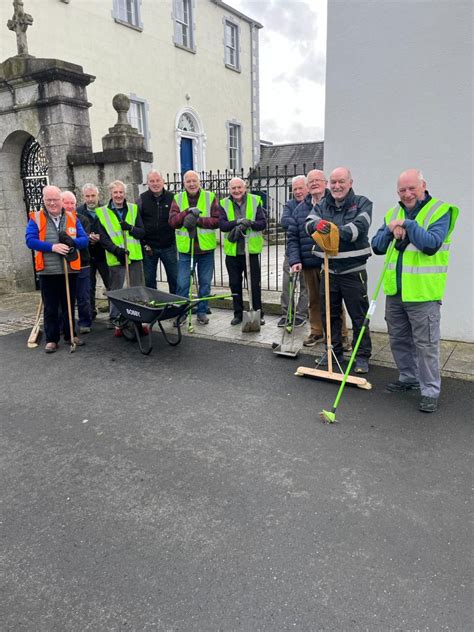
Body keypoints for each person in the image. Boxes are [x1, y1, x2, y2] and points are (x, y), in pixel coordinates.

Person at [372, 169, 458, 413]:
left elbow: (431, 244)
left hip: (423, 294)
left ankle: (430, 390)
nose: (407, 194)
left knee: (426, 344)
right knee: (398, 339)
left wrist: (407, 225)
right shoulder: (393, 213)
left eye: (412, 188)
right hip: (396, 291)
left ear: (423, 186)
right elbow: (377, 247)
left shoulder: (441, 211)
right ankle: (408, 378)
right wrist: (390, 230)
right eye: (402, 190)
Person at [305, 167, 372, 373]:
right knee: (330, 314)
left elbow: (358, 228)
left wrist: (330, 230)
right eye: (333, 182)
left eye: (341, 182)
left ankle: (362, 356)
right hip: (329, 270)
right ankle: (333, 351)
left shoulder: (363, 203)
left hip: (354, 271)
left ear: (350, 183)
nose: (336, 186)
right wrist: (321, 228)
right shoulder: (323, 204)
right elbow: (309, 224)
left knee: (359, 315)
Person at [288, 170, 351, 348]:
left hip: (331, 262)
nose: (314, 183)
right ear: (307, 187)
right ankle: (316, 331)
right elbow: (292, 237)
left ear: (325, 183)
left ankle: (342, 334)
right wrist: (295, 260)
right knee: (314, 300)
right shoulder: (300, 210)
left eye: (318, 180)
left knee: (334, 300)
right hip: (309, 262)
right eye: (311, 182)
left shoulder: (335, 204)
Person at [25, 185, 88, 353]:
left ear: (61, 200)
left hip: (70, 269)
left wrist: (71, 243)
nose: (52, 203)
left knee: (69, 304)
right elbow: (30, 241)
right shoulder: (36, 218)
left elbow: (84, 240)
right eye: (49, 200)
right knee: (51, 307)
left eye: (55, 199)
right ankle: (52, 339)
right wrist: (53, 247)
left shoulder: (72, 217)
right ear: (44, 201)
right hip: (48, 270)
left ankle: (70, 335)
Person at [168, 170, 220, 325]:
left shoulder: (210, 197)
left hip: (205, 250)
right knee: (183, 284)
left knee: (205, 283)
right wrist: (186, 213)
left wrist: (198, 220)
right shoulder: (178, 199)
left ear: (199, 182)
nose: (191, 184)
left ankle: (202, 311)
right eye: (188, 181)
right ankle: (182, 313)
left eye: (194, 181)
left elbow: (217, 221)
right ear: (184, 183)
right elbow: (172, 222)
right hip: (186, 250)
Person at [96, 180, 145, 335]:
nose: (118, 195)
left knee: (136, 290)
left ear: (125, 194)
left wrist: (130, 228)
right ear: (111, 194)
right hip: (115, 257)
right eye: (115, 192)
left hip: (134, 257)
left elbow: (142, 232)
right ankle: (116, 321)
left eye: (121, 192)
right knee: (117, 291)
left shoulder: (133, 209)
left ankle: (137, 320)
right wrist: (116, 250)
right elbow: (102, 238)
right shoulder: (102, 212)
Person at [219, 177, 266, 326]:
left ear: (245, 187)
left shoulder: (255, 200)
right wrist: (238, 222)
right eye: (233, 188)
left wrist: (250, 223)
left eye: (239, 187)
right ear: (229, 190)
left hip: (250, 252)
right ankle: (238, 314)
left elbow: (262, 223)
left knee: (254, 285)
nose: (237, 191)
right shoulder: (223, 204)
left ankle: (258, 313)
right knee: (235, 284)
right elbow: (223, 225)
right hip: (233, 253)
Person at [138, 170, 178, 293]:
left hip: (169, 246)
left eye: (158, 180)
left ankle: (177, 306)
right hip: (149, 247)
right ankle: (153, 307)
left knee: (174, 278)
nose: (155, 184)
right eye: (152, 181)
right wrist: (143, 242)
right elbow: (137, 221)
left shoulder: (172, 198)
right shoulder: (142, 199)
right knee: (149, 280)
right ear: (147, 183)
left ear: (163, 182)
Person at [76, 183, 110, 322]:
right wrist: (87, 236)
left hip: (104, 253)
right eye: (87, 196)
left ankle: (114, 314)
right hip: (86, 254)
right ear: (83, 197)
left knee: (111, 285)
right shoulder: (78, 212)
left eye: (93, 196)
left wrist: (101, 238)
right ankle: (90, 313)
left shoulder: (106, 210)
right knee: (88, 287)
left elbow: (112, 231)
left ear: (98, 196)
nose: (90, 199)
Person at [279, 175, 309, 328]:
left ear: (307, 187)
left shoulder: (313, 204)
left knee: (306, 286)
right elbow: (284, 221)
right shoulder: (290, 205)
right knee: (287, 285)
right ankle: (286, 314)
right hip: (292, 251)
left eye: (300, 188)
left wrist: (296, 222)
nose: (297, 192)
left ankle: (301, 315)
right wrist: (302, 222)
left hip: (308, 252)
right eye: (294, 189)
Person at [62, 190, 92, 334]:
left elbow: (84, 241)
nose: (69, 206)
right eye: (66, 203)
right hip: (62, 264)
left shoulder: (82, 219)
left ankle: (85, 322)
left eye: (72, 203)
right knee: (64, 297)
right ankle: (65, 325)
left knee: (83, 297)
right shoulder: (57, 221)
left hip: (82, 263)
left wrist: (71, 242)